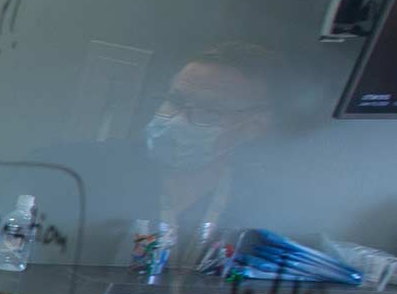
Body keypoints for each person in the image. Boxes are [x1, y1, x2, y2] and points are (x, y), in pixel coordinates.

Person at [19, 43, 278, 266]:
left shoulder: (260, 205)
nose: (178, 121)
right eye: (175, 101)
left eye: (209, 110)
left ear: (253, 127)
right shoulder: (89, 168)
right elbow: (2, 180)